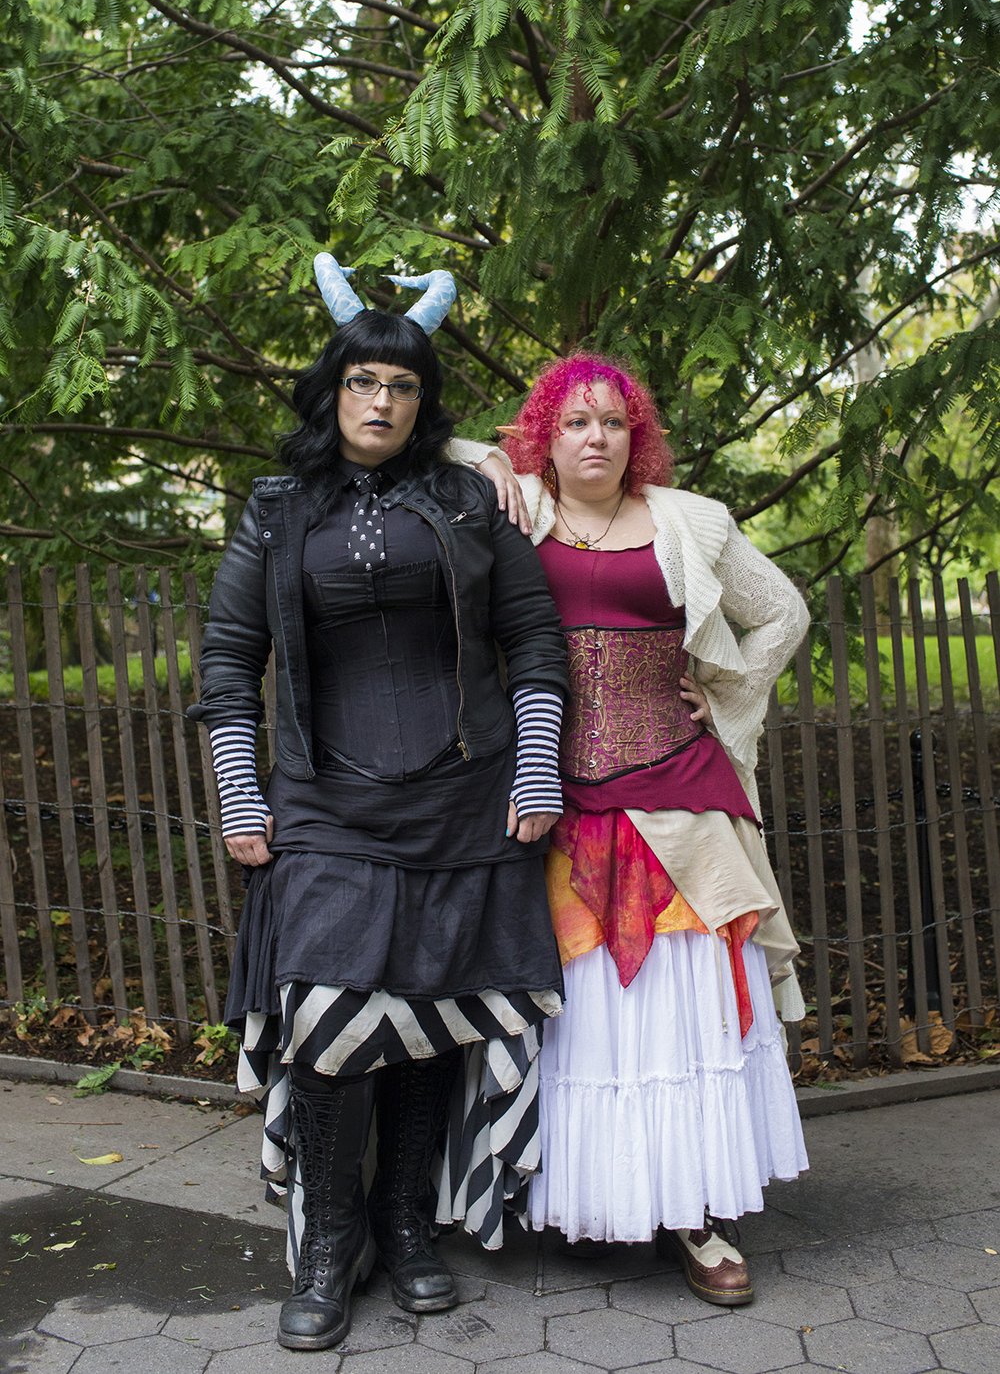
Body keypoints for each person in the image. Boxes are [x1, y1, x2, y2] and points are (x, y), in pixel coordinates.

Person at [189, 255, 569, 1352]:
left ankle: (407, 1225)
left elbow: (535, 640)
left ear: (421, 401)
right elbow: (226, 660)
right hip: (321, 804)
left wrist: (537, 766)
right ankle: (326, 1241)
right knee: (325, 1023)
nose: (381, 403)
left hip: (466, 798)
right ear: (332, 389)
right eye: (362, 382)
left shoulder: (467, 498)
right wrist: (239, 793)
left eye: (401, 387)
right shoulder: (274, 508)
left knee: (430, 1018)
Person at [450, 351, 809, 1306]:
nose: (596, 436)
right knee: (585, 1017)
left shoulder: (689, 520)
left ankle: (699, 1216)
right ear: (546, 435)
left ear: (635, 434)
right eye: (575, 422)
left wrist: (723, 688)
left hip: (677, 795)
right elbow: (422, 441)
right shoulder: (516, 504)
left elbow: (782, 613)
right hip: (552, 800)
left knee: (684, 998)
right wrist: (492, 460)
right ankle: (599, 1200)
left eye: (612, 421)